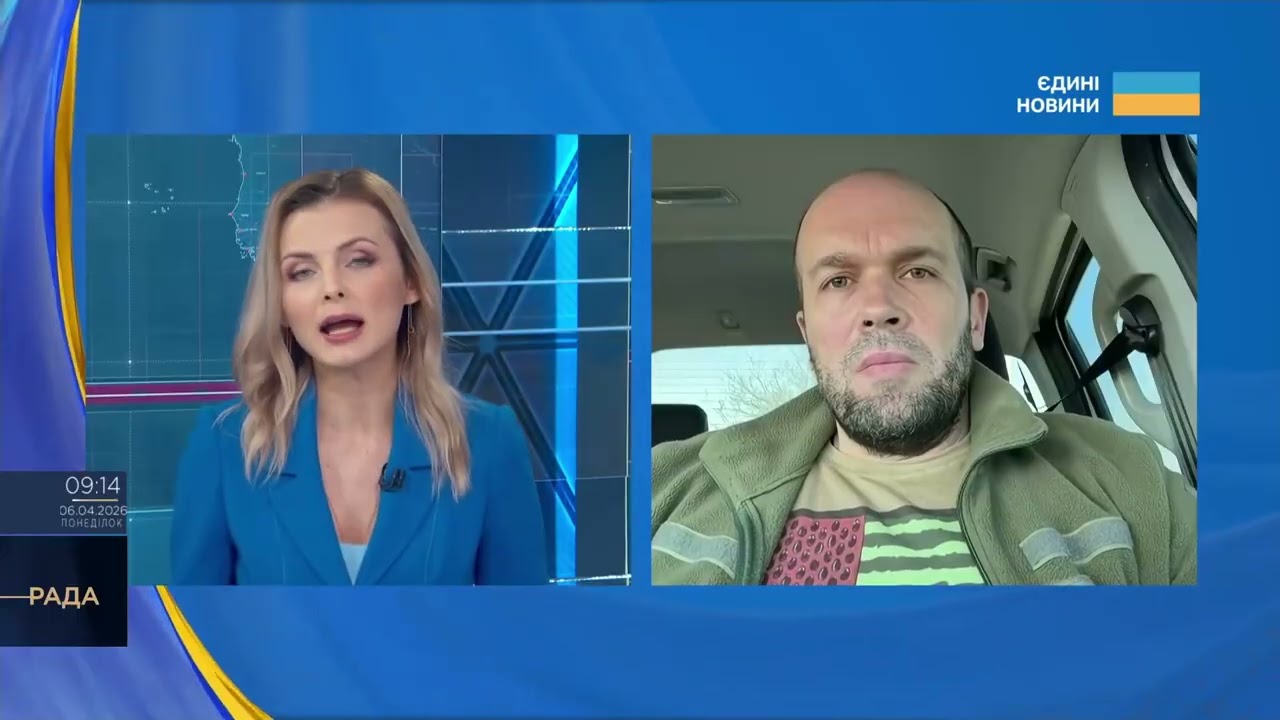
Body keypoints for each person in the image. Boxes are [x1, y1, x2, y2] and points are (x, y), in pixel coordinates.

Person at [651, 169, 1196, 586]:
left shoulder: (1130, 479)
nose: (878, 308)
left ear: (976, 319)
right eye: (838, 280)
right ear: (807, 334)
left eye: (917, 271)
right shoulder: (662, 489)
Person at [171, 168, 549, 585]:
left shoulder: (489, 442)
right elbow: (192, 622)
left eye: (359, 260)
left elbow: (521, 621)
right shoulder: (225, 445)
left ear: (410, 282)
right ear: (281, 306)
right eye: (302, 272)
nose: (332, 288)